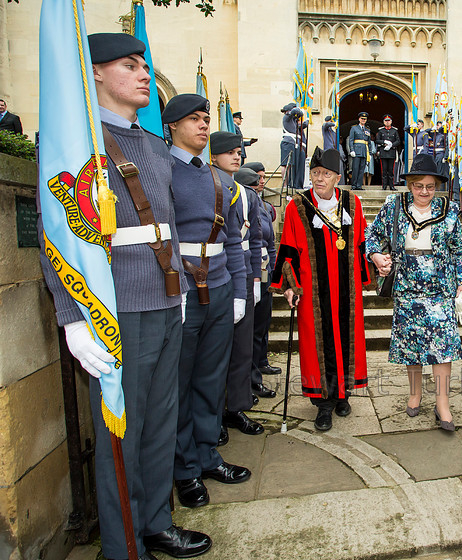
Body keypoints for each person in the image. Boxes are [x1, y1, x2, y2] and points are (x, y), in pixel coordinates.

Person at [38, 33, 211, 560]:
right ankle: (123, 544)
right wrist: (73, 316)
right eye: (129, 66)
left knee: (159, 425)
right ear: (93, 74)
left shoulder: (154, 146)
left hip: (164, 300)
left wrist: (179, 285)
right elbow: (59, 233)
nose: (143, 74)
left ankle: (157, 522)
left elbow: (170, 230)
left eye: (144, 65)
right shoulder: (76, 142)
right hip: (117, 310)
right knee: (122, 433)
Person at [162, 94, 251, 509]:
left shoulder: (221, 180)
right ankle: (184, 470)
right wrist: (174, 288)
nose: (202, 126)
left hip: (217, 288)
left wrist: (236, 291)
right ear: (172, 126)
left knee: (211, 380)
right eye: (193, 120)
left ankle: (207, 455)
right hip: (178, 291)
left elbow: (232, 239)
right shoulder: (160, 170)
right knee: (177, 384)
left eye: (205, 119)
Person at [367, 154, 462, 431]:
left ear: (437, 185)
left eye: (430, 186)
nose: (424, 191)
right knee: (410, 346)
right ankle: (415, 394)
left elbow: (459, 249)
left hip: (439, 287)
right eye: (418, 186)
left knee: (443, 347)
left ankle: (442, 404)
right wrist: (376, 256)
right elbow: (372, 235)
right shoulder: (394, 206)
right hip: (407, 286)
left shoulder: (448, 210)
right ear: (409, 184)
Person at [271, 148, 370, 431]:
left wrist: (368, 270)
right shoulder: (297, 206)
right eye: (315, 173)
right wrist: (289, 285)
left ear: (337, 178)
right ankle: (323, 404)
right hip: (313, 291)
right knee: (316, 345)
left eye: (326, 174)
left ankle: (343, 394)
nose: (319, 179)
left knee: (346, 341)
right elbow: (288, 246)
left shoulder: (352, 202)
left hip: (346, 291)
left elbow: (361, 240)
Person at [208, 132, 268, 443]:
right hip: (213, 272)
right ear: (213, 155)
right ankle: (212, 415)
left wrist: (256, 279)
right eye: (229, 152)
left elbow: (255, 238)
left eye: (238, 152)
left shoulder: (247, 194)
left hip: (243, 272)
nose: (236, 157)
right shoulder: (209, 184)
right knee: (215, 354)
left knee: (243, 349)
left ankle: (237, 406)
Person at [241, 161, 281, 383]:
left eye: (263, 177)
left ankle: (261, 362)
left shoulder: (265, 207)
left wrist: (273, 270)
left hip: (265, 268)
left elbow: (271, 242)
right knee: (252, 327)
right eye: (257, 178)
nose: (261, 182)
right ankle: (251, 375)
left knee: (263, 322)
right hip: (249, 269)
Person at [280, 102, 308, 189]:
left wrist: (306, 116)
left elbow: (304, 124)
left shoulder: (294, 122)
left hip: (295, 143)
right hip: (288, 142)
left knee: (293, 164)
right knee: (287, 164)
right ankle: (286, 185)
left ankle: (294, 184)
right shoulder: (287, 117)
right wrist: (299, 110)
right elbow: (294, 111)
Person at [376, 114, 401, 191]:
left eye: (388, 121)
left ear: (391, 122)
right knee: (384, 170)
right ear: (384, 122)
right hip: (383, 153)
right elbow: (377, 140)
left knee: (391, 171)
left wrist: (391, 145)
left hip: (391, 153)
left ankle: (391, 186)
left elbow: (398, 141)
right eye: (386, 121)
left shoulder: (394, 131)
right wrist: (384, 142)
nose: (387, 122)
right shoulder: (381, 131)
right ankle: (384, 186)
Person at [347, 111, 371, 190]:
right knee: (355, 169)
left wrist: (369, 153)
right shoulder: (354, 128)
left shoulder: (367, 130)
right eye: (362, 119)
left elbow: (369, 142)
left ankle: (359, 185)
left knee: (362, 170)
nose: (363, 120)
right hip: (356, 151)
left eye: (365, 119)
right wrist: (352, 150)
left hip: (364, 152)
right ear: (359, 119)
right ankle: (354, 185)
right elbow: (351, 140)